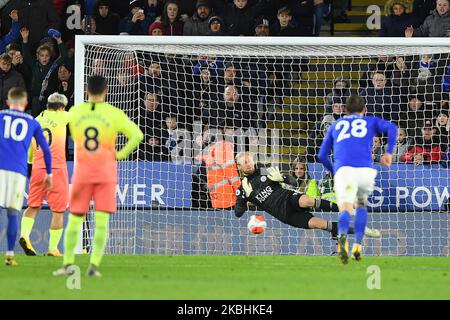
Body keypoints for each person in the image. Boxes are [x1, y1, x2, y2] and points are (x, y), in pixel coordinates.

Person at [53, 75, 143, 277]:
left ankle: (68, 265)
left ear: (87, 91)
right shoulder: (114, 113)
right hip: (105, 172)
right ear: (106, 90)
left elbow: (62, 126)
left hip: (83, 172)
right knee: (101, 222)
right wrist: (119, 154)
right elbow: (138, 135)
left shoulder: (76, 112)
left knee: (75, 219)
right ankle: (93, 266)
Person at [318, 95, 398, 264]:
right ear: (365, 110)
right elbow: (392, 128)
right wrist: (388, 153)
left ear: (345, 110)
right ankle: (357, 246)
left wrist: (335, 171)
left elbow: (321, 156)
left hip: (345, 171)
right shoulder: (369, 121)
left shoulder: (336, 125)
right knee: (361, 205)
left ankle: (342, 243)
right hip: (365, 171)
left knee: (345, 209)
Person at [234, 152, 380, 242]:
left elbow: (293, 181)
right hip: (283, 214)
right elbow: (238, 213)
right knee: (321, 224)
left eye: (249, 160)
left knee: (307, 200)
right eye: (245, 162)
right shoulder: (242, 190)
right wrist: (245, 198)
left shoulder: (265, 171)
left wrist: (282, 178)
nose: (249, 163)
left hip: (287, 197)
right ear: (239, 167)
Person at [0, 87, 52, 266]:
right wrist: (50, 173)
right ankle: (9, 255)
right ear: (26, 103)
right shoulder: (32, 121)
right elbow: (45, 149)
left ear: (8, 102)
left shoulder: (1, 116)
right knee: (13, 214)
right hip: (17, 172)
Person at [19, 93, 70, 257]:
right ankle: (53, 248)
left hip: (37, 167)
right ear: (62, 107)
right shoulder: (63, 117)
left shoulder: (35, 121)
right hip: (56, 169)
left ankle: (25, 235)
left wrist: (30, 167)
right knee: (58, 210)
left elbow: (29, 150)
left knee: (33, 205)